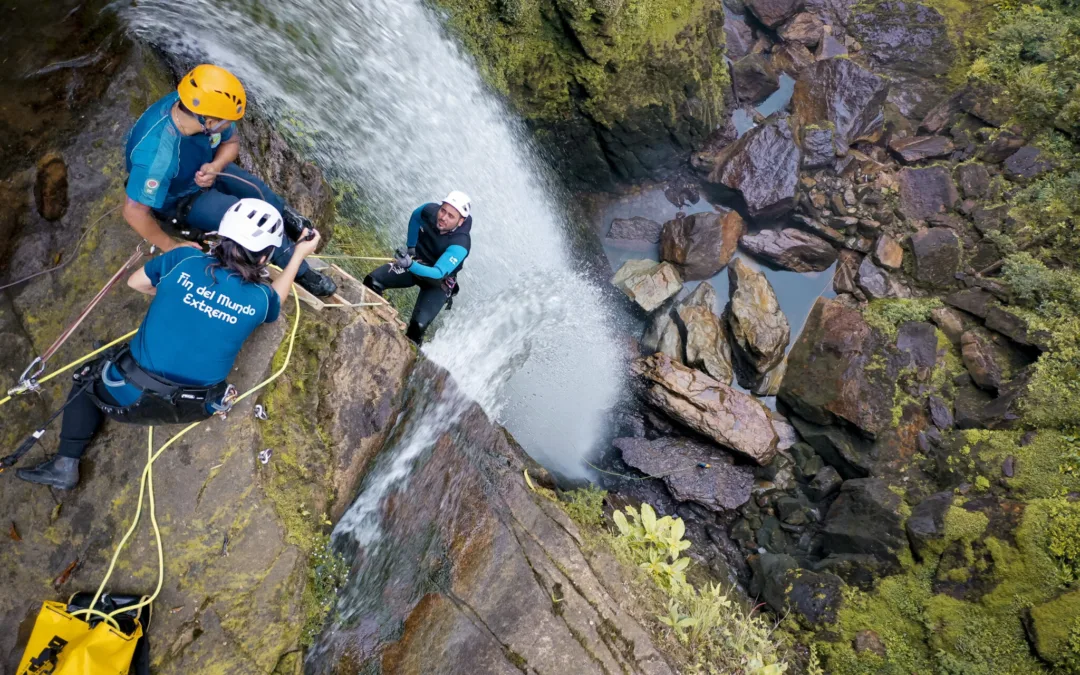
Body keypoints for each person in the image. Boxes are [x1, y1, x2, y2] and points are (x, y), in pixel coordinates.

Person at [16, 199, 319, 490]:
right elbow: (278, 298)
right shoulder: (260, 300)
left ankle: (65, 464)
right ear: (264, 257)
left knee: (86, 376)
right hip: (196, 406)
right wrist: (298, 256)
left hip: (127, 397)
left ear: (223, 233)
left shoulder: (184, 259)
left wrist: (179, 297)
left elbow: (136, 283)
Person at [122, 63, 337, 297]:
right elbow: (134, 211)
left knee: (256, 190)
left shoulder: (197, 107)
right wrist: (171, 246)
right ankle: (301, 271)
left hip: (206, 165)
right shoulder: (157, 157)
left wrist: (215, 166)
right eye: (226, 120)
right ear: (211, 122)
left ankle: (287, 218)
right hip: (180, 199)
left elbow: (231, 143)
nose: (230, 124)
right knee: (250, 222)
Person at [363, 192, 473, 345]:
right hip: (417, 262)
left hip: (438, 283)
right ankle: (369, 325)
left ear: (460, 221)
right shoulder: (429, 211)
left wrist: (410, 264)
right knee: (372, 282)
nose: (443, 217)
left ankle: (408, 357)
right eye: (443, 211)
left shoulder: (460, 244)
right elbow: (416, 216)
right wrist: (411, 247)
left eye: (451, 216)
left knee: (417, 328)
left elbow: (438, 273)